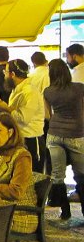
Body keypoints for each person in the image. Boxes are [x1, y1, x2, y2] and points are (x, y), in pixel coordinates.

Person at [44, 59, 84, 220]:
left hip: (54, 134)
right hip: (76, 134)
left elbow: (47, 115)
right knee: (80, 173)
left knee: (57, 175)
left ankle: (65, 212)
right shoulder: (79, 88)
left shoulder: (48, 91)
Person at [0, 59, 45, 173]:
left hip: (31, 140)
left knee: (31, 177)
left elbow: (24, 118)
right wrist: (1, 107)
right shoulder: (17, 90)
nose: (4, 75)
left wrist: (5, 108)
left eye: (5, 72)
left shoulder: (29, 91)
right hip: (19, 139)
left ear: (12, 74)